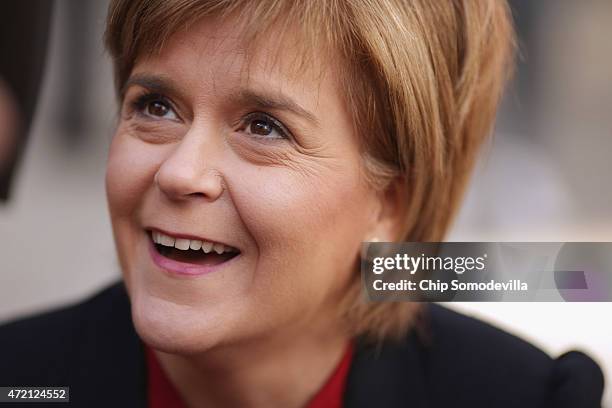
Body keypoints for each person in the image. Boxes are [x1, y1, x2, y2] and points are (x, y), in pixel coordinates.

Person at [0, 1, 604, 407]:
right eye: (155, 107)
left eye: (263, 127)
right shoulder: (21, 382)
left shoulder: (523, 396)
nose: (181, 172)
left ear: (389, 204)